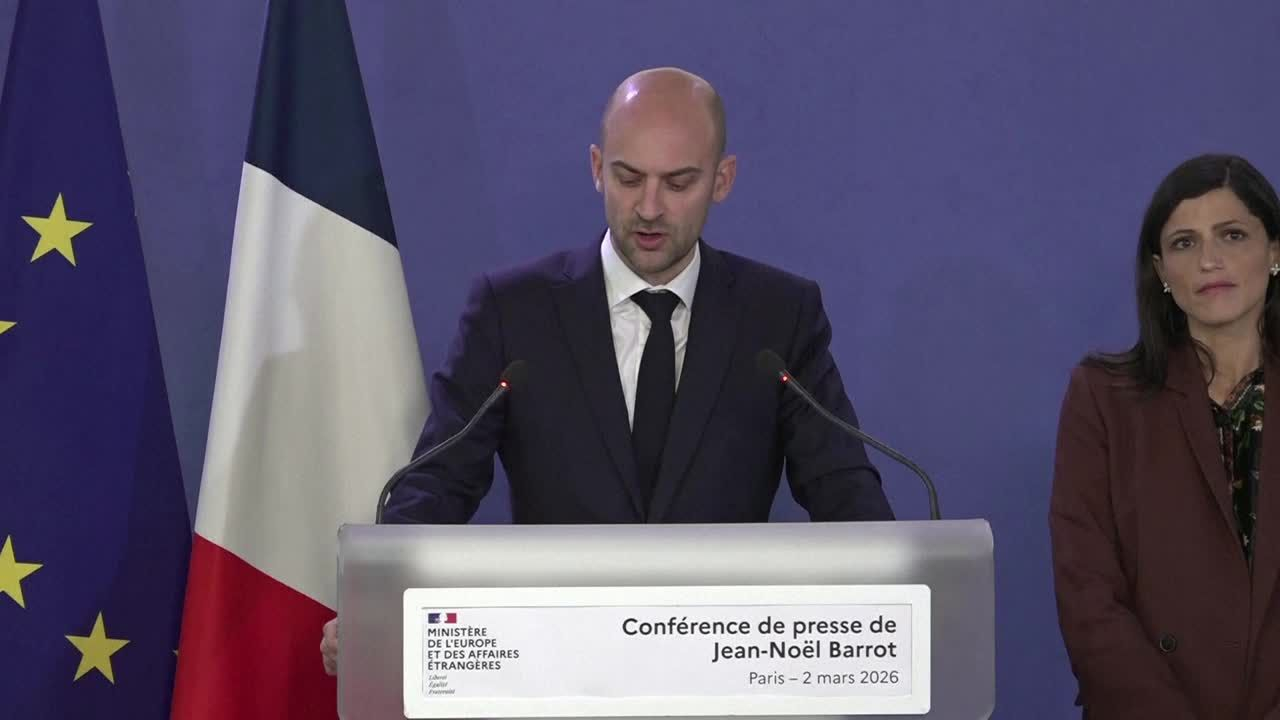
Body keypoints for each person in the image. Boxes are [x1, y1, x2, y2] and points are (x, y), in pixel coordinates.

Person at [322, 66, 893, 675]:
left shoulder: (777, 317)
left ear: (722, 180)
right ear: (597, 167)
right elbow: (438, 485)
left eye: (678, 183)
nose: (649, 208)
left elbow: (843, 491)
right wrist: (378, 599)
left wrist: (902, 596)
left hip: (721, 671)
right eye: (628, 178)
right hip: (555, 670)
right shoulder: (513, 312)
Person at [1050, 153, 1280, 719]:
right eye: (1183, 243)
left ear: (1275, 252)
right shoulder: (1103, 397)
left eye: (1232, 235)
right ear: (1160, 271)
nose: (1209, 260)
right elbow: (1088, 595)